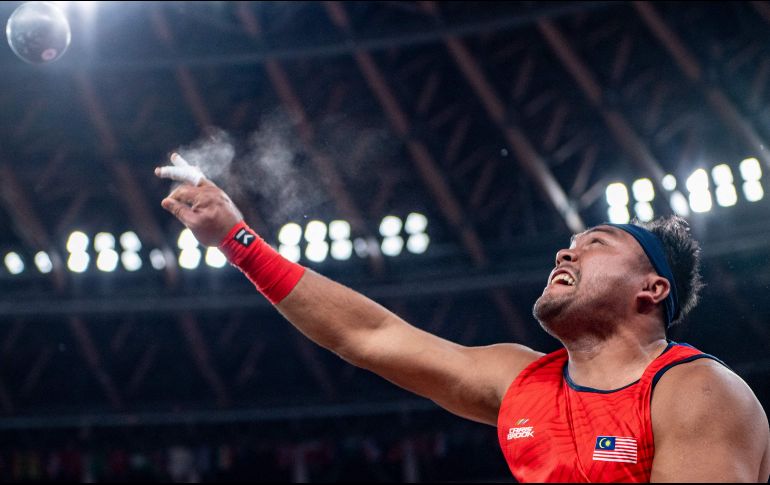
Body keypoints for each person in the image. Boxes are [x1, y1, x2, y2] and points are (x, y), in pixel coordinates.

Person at [155, 163, 770, 482]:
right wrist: (238, 241)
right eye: (568, 243)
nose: (566, 252)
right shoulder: (519, 380)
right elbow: (368, 336)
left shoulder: (696, 390)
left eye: (596, 243)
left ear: (652, 288)